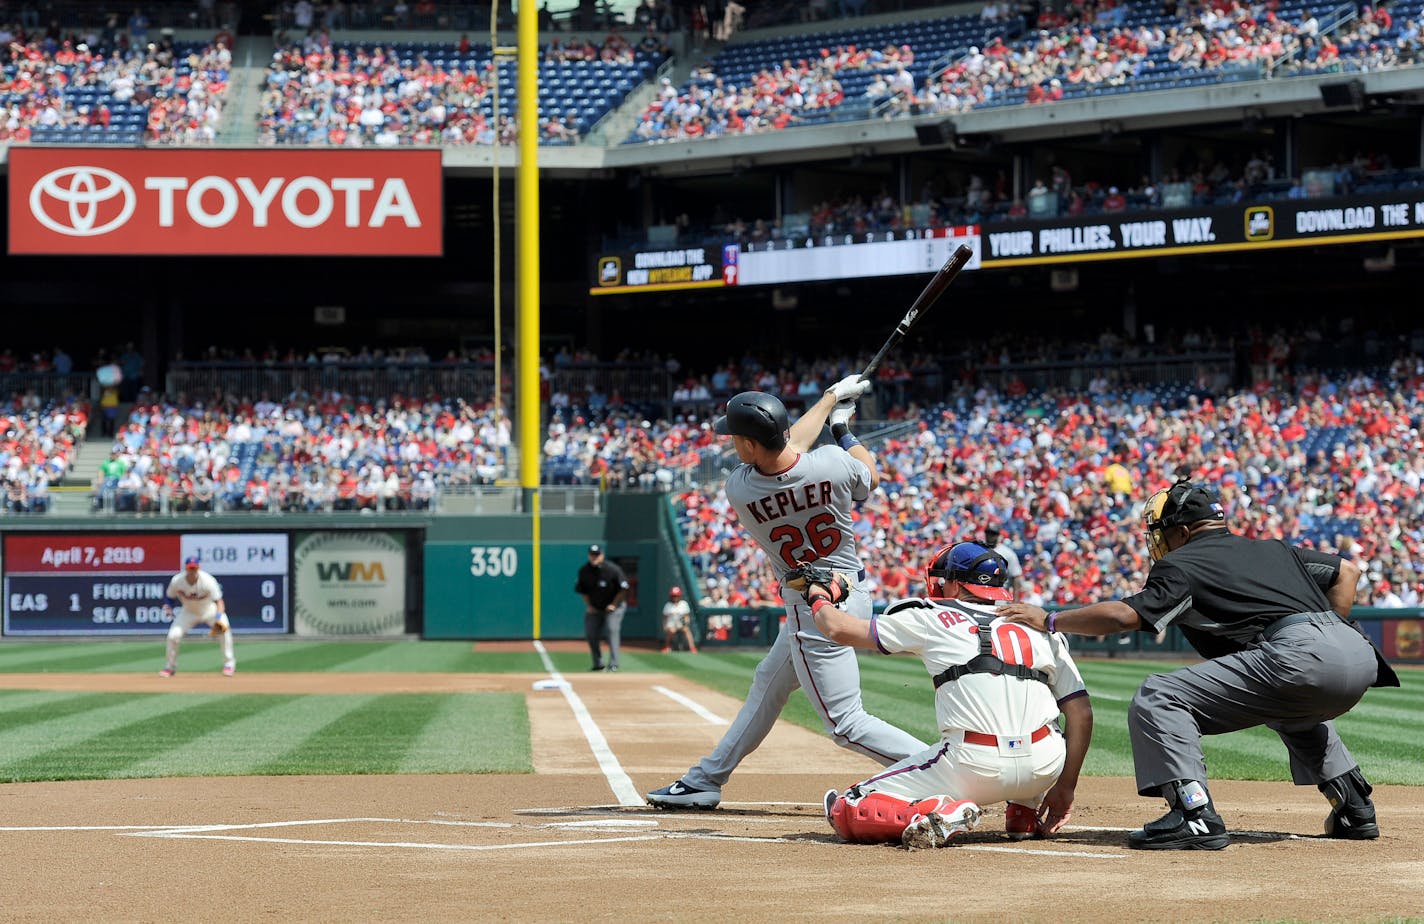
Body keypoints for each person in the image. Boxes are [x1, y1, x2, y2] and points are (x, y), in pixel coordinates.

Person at [999, 478, 1399, 850]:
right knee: (1293, 711)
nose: (1156, 541)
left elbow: (1123, 616)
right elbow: (1346, 571)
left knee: (1159, 696)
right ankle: (1354, 807)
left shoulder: (1182, 563)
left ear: (1183, 531)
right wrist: (1328, 632)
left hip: (1297, 651)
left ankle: (1194, 815)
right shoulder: (1274, 548)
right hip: (1356, 649)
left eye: (1160, 532)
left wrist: (1051, 619)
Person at [646, 383, 927, 810]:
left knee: (845, 723)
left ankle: (936, 766)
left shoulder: (741, 489)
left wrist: (830, 400)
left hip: (812, 607)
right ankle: (706, 779)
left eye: (736, 438)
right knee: (768, 682)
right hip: (853, 589)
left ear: (749, 442)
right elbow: (867, 474)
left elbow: (787, 445)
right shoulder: (833, 462)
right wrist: (841, 427)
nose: (732, 445)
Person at [812, 542, 1092, 848]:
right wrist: (1066, 786)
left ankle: (936, 811)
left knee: (850, 805)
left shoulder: (932, 615)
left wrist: (818, 595)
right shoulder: (1042, 626)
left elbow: (838, 629)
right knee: (1035, 720)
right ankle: (1023, 812)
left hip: (974, 767)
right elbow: (1081, 713)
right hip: (1044, 766)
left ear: (956, 584)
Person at [160, 556, 235, 677]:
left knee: (224, 629)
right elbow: (170, 597)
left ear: (198, 568)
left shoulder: (208, 580)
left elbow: (219, 602)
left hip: (209, 610)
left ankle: (229, 665)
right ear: (186, 568)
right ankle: (170, 667)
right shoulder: (177, 581)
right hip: (188, 612)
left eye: (195, 568)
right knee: (173, 636)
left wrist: (218, 618)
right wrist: (168, 607)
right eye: (190, 568)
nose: (193, 571)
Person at [575, 544, 628, 671]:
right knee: (591, 633)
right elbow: (583, 591)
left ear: (602, 555)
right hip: (596, 607)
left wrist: (613, 604)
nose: (594, 557)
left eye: (597, 555)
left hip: (615, 607)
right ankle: (598, 663)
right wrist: (589, 606)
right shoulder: (584, 571)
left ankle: (614, 663)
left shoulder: (612, 570)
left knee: (611, 629)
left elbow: (624, 589)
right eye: (592, 555)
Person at [983, 524, 1022, 594]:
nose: (990, 535)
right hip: (981, 592)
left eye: (993, 533)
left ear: (998, 535)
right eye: (988, 532)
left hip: (1000, 594)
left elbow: (1015, 577)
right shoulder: (979, 549)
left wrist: (1015, 600)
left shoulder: (1008, 553)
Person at [661, 586, 698, 653]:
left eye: (677, 596)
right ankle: (667, 647)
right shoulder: (668, 605)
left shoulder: (683, 604)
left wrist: (686, 623)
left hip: (680, 624)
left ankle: (692, 648)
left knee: (686, 630)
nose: (675, 597)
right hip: (671, 624)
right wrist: (665, 627)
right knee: (671, 630)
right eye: (674, 596)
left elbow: (687, 616)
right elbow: (664, 618)